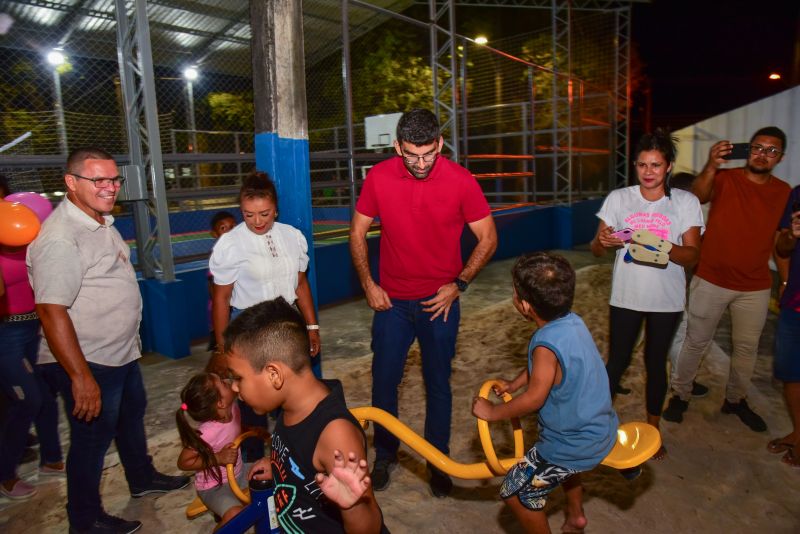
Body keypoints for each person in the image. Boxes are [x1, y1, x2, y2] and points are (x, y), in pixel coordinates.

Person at [27, 147, 190, 534]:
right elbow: (51, 311)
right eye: (98, 180)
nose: (110, 187)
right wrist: (81, 377)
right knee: (91, 440)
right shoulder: (62, 239)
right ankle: (84, 520)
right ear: (71, 182)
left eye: (114, 179)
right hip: (89, 360)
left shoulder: (98, 220)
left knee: (131, 415)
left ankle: (141, 477)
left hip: (120, 353)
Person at [349, 108, 497, 496]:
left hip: (440, 302)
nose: (419, 163)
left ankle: (438, 461)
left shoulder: (461, 180)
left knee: (438, 384)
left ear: (440, 144)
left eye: (428, 154)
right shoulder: (379, 177)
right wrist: (368, 283)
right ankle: (385, 454)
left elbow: (488, 238)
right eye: (411, 154)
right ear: (397, 146)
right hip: (392, 302)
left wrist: (459, 284)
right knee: (383, 382)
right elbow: (357, 232)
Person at [472, 252, 618, 534]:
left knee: (517, 493)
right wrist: (514, 384)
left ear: (525, 305)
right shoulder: (572, 322)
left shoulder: (544, 344)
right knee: (561, 472)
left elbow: (535, 398)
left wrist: (492, 412)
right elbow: (547, 369)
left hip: (571, 444)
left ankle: (568, 513)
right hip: (600, 427)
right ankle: (576, 517)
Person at [663, 127, 792, 432]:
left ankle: (735, 400)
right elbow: (698, 196)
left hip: (755, 285)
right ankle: (680, 394)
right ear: (748, 150)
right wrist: (711, 164)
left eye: (771, 150)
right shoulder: (725, 178)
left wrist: (785, 272)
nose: (763, 154)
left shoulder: (784, 191)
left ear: (780, 157)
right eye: (757, 147)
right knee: (696, 341)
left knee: (746, 349)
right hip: (711, 278)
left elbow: (782, 243)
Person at [224, 297, 387, 533]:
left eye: (238, 378)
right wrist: (280, 468)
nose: (234, 388)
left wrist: (354, 505)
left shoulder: (335, 435)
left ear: (274, 375)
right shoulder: (292, 403)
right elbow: (298, 454)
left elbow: (370, 528)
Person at [591, 130, 703, 458]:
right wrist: (605, 241)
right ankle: (597, 430)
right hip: (625, 296)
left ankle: (653, 431)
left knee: (655, 363)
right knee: (617, 362)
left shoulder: (684, 202)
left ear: (668, 166)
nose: (648, 171)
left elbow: (692, 255)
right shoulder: (619, 199)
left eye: (656, 164)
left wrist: (661, 245)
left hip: (666, 300)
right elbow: (597, 248)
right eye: (642, 164)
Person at [208, 171, 320, 462]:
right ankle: (255, 461)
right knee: (252, 402)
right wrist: (222, 349)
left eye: (264, 213)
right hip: (248, 329)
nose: (257, 221)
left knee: (294, 393)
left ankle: (298, 456)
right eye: (248, 214)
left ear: (276, 209)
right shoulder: (230, 244)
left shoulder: (292, 237)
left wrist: (311, 325)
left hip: (286, 327)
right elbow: (221, 300)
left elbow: (301, 285)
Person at [1, 242, 65, 500]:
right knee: (27, 400)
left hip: (35, 326)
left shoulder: (29, 239)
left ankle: (51, 459)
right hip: (6, 332)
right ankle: (5, 475)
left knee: (47, 398)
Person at [177, 372, 260, 527]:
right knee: (236, 516)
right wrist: (219, 458)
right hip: (214, 488)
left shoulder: (234, 409)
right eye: (223, 382)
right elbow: (183, 462)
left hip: (239, 474)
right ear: (220, 403)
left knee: (271, 470)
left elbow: (232, 431)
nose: (228, 380)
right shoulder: (207, 432)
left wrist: (251, 429)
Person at [769, 188, 800, 468]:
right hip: (795, 304)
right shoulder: (798, 194)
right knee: (791, 373)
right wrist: (792, 235)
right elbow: (781, 247)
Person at [206, 211, 236, 353]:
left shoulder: (239, 251)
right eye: (223, 228)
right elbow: (214, 288)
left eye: (233, 227)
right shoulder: (218, 255)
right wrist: (226, 307)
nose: (229, 231)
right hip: (224, 310)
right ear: (214, 234)